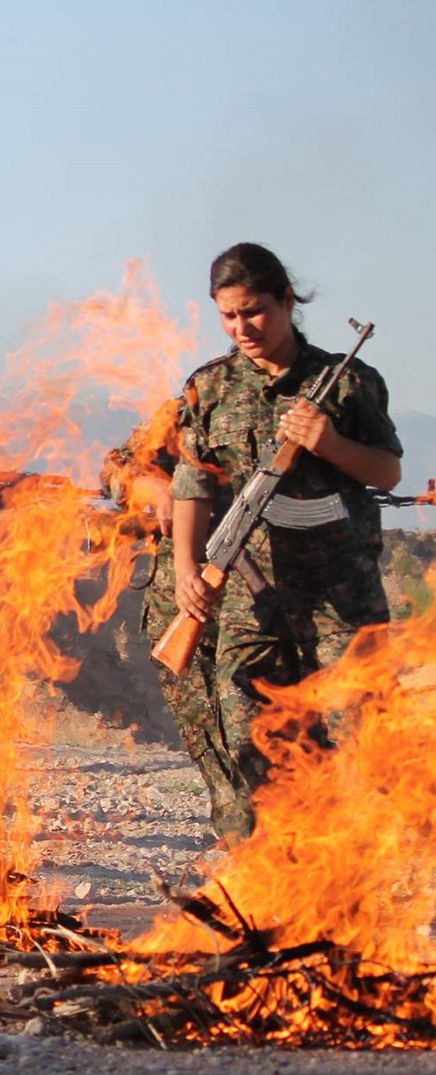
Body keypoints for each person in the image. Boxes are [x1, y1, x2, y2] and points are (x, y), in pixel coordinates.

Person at [170, 242, 401, 838]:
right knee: (253, 742)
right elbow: (191, 487)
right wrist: (186, 571)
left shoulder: (346, 382)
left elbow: (386, 472)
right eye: (229, 316)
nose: (242, 327)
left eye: (254, 311)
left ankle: (352, 883)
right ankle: (273, 884)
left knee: (362, 742)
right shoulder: (210, 388)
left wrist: (330, 444)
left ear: (287, 302)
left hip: (342, 598)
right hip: (254, 596)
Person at [100, 402, 241, 836]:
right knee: (207, 731)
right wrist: (158, 490)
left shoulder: (318, 405)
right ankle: (240, 840)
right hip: (184, 595)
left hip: (272, 600)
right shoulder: (202, 400)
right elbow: (115, 470)